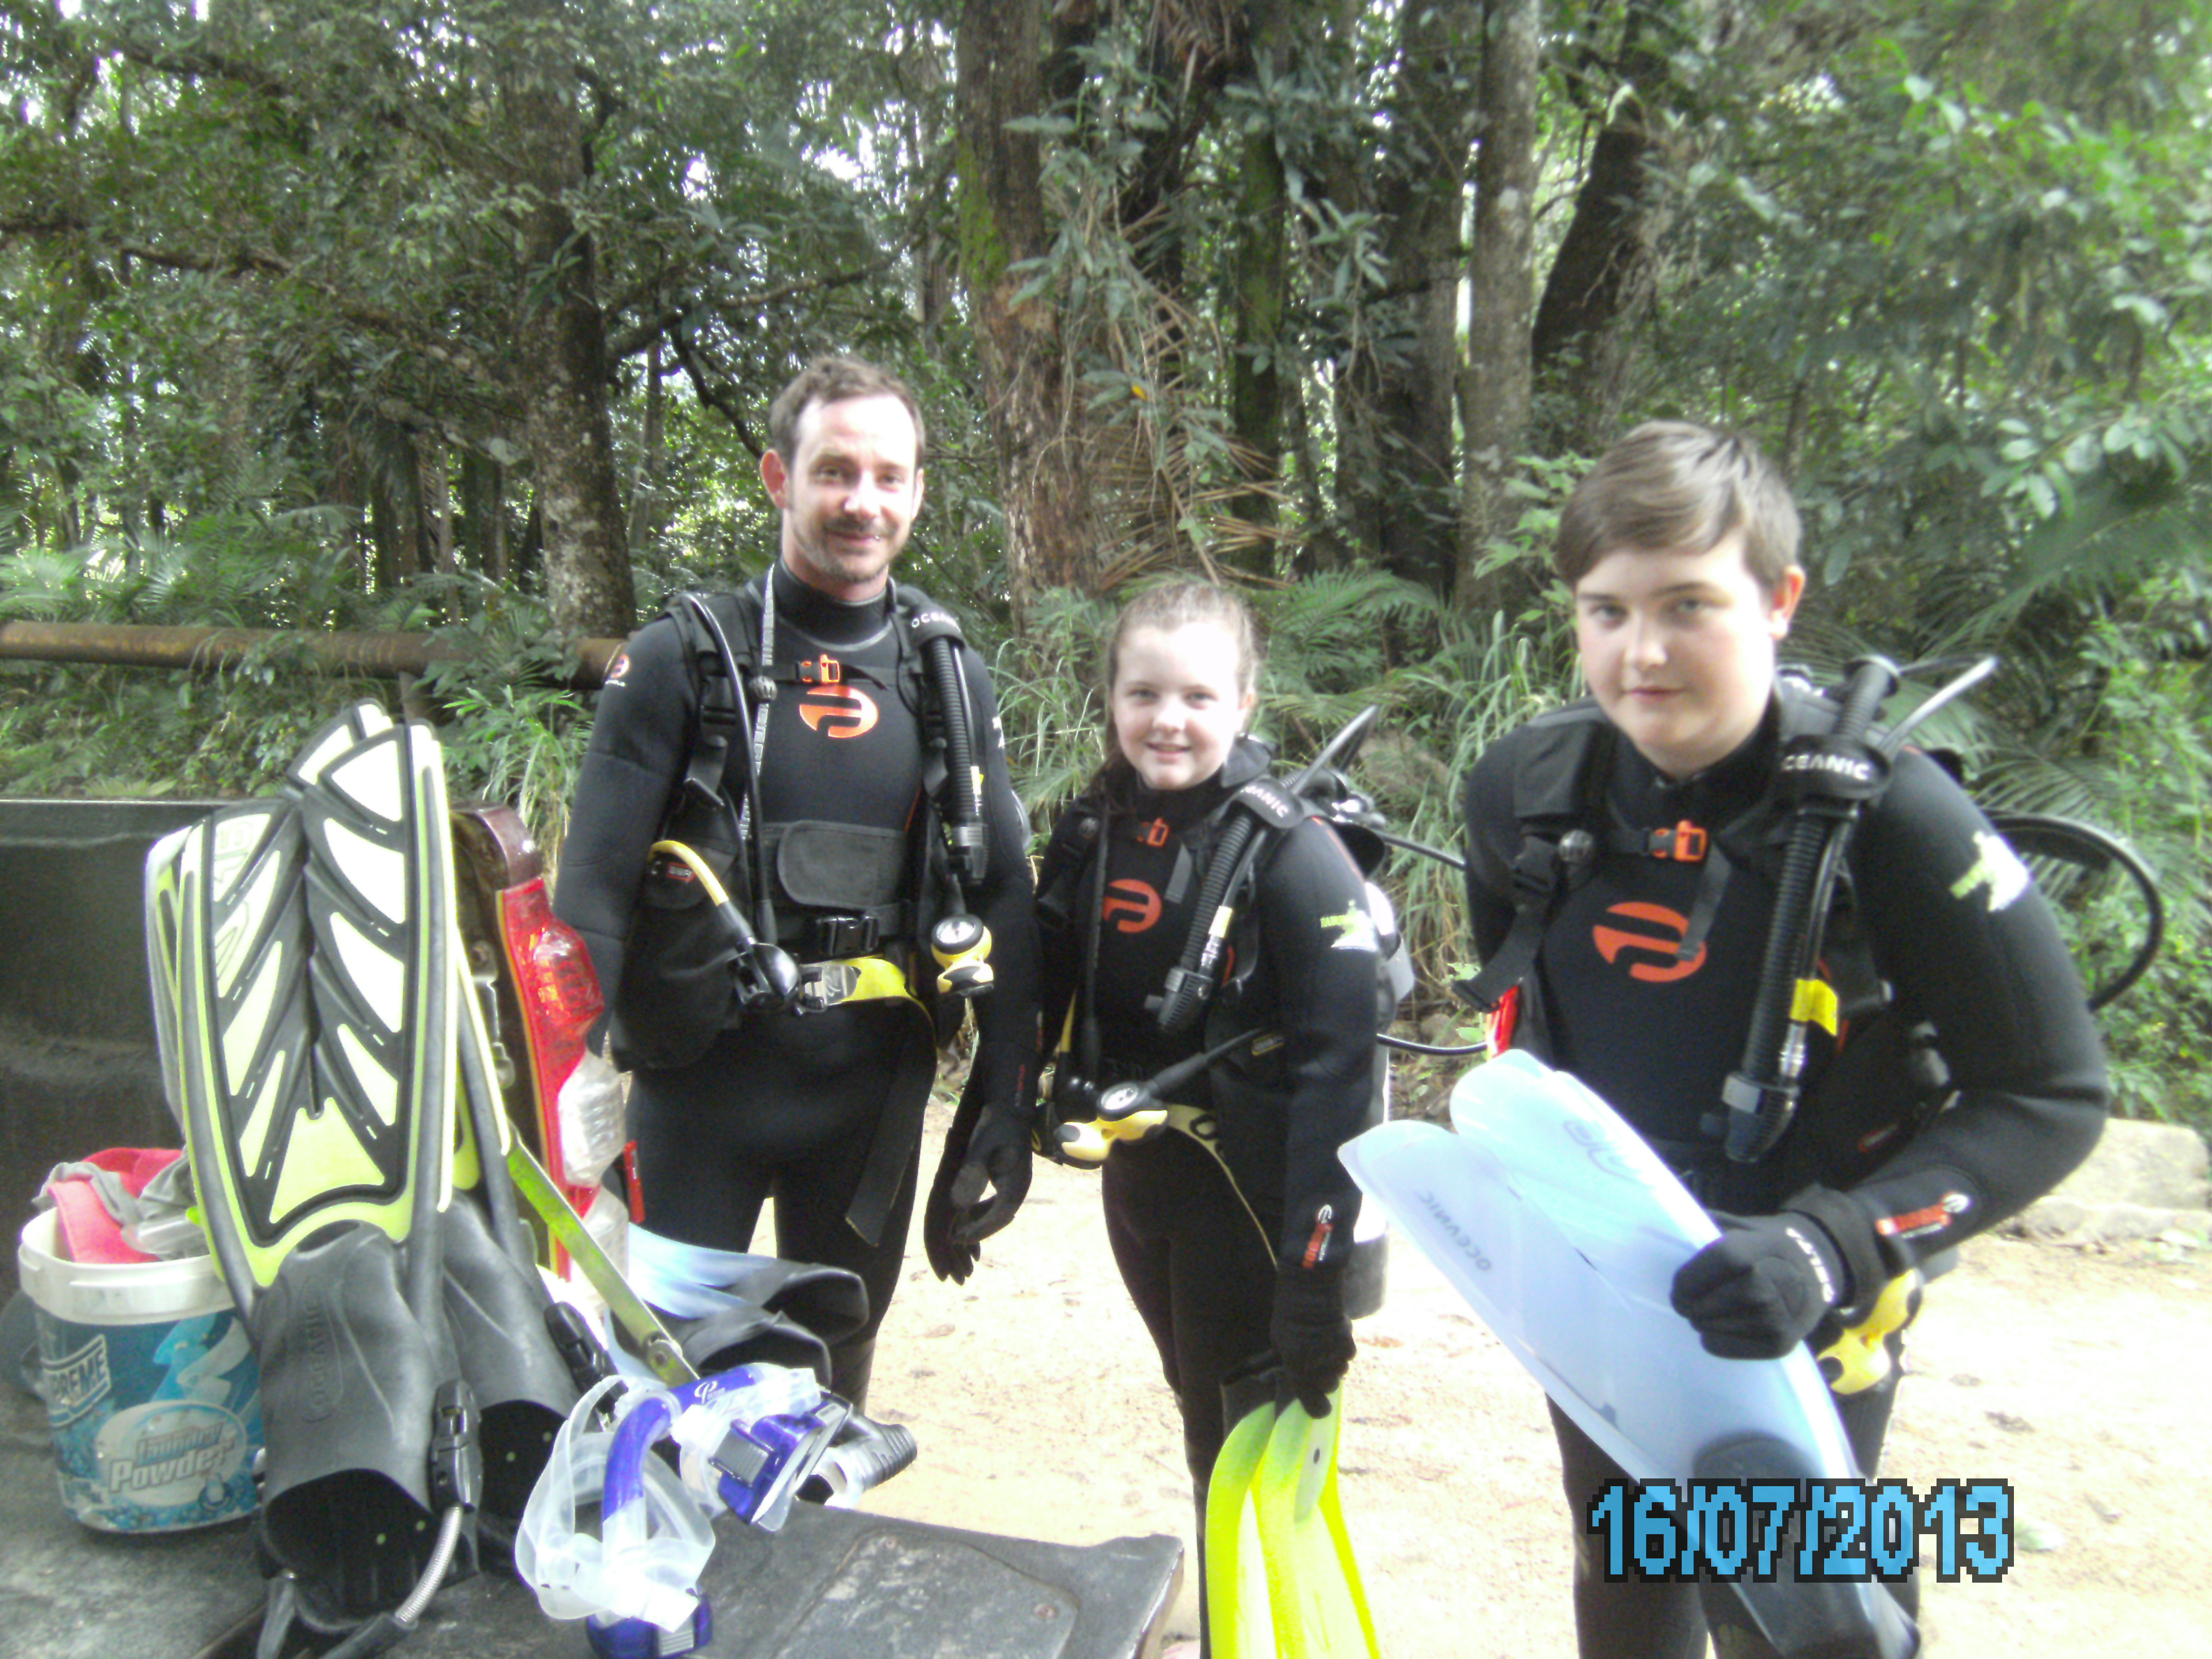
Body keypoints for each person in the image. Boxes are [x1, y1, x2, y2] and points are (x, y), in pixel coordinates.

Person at [1459, 421, 2109, 1657]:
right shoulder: (1525, 793)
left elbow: (2051, 1095)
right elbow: (1531, 1029)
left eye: (1686, 605)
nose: (1638, 653)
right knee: (1625, 1571)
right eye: (1603, 611)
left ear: (1778, 601)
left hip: (1803, 1303)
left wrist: (1832, 1246)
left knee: (1795, 1623)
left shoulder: (1894, 818)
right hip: (1610, 1282)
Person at [552, 354, 1040, 1409]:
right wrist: (558, 1089)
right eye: (834, 472)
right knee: (666, 1386)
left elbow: (1003, 888)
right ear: (777, 477)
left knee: (825, 1388)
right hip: (699, 1095)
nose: (862, 501)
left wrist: (1001, 1098)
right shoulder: (682, 661)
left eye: (889, 476)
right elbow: (588, 894)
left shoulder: (943, 672)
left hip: (868, 1104)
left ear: (917, 489)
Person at [1028, 581, 1380, 1655]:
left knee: (1251, 1440)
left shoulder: (1289, 849)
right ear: (1110, 696)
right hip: (1147, 1181)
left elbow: (1340, 1068)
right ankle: (1230, 1622)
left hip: (1255, 1191)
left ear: (1243, 701)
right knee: (1198, 1417)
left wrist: (1316, 1273)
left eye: (1196, 694)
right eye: (1142, 692)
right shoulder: (1095, 828)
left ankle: (1261, 1631)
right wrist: (1003, 1124)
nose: (1166, 720)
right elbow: (1041, 987)